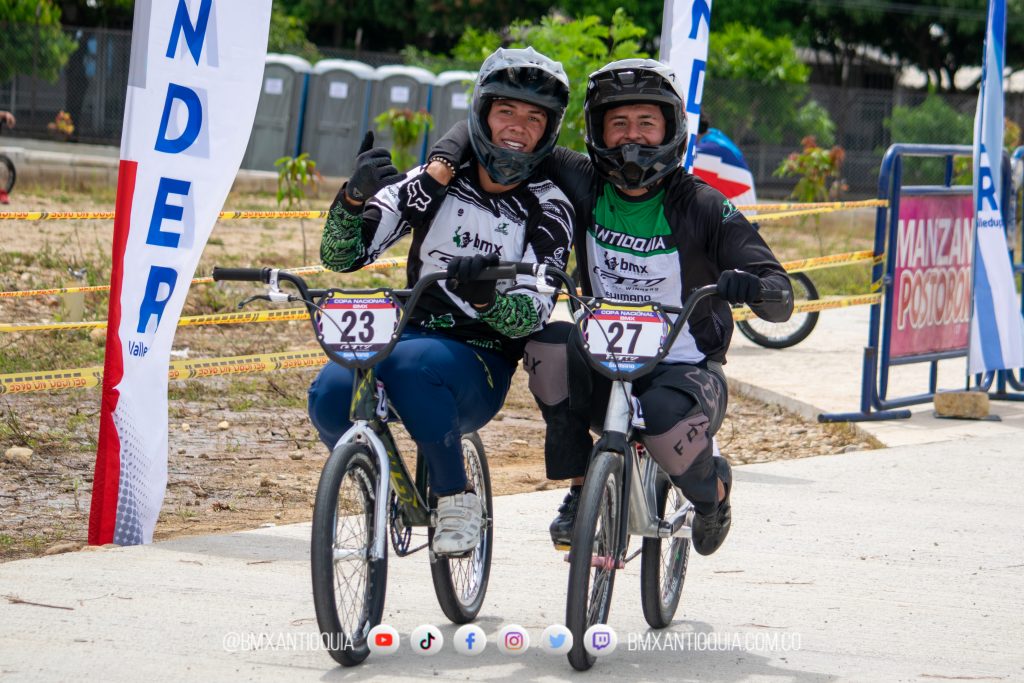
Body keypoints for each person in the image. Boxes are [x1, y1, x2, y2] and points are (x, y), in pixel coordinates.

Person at [430, 59, 793, 557]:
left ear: (671, 128)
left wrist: (752, 287)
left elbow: (781, 293)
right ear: (597, 132)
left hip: (686, 372)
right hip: (603, 358)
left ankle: (714, 494)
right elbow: (488, 133)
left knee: (662, 420)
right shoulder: (582, 181)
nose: (632, 137)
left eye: (647, 123)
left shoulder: (703, 204)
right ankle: (582, 488)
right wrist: (440, 163)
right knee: (546, 347)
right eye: (618, 123)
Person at [307, 47, 574, 556]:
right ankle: (373, 478)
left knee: (412, 368)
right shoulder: (434, 182)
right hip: (406, 334)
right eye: (506, 111)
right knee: (329, 391)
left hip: (482, 357)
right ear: (482, 114)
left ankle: (456, 499)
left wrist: (488, 299)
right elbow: (341, 256)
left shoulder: (550, 205)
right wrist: (353, 199)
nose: (518, 126)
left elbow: (532, 314)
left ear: (549, 130)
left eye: (534, 117)